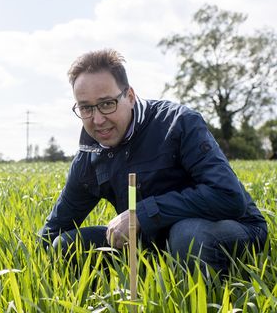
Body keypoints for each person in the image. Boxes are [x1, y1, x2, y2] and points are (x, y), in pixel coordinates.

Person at [39, 48, 268, 274]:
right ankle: (144, 285)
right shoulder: (89, 155)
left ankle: (206, 296)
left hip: (231, 227)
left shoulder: (179, 123)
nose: (97, 119)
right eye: (85, 108)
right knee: (66, 246)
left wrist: (142, 214)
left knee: (187, 236)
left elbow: (228, 197)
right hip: (151, 240)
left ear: (129, 96)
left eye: (107, 103)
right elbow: (56, 227)